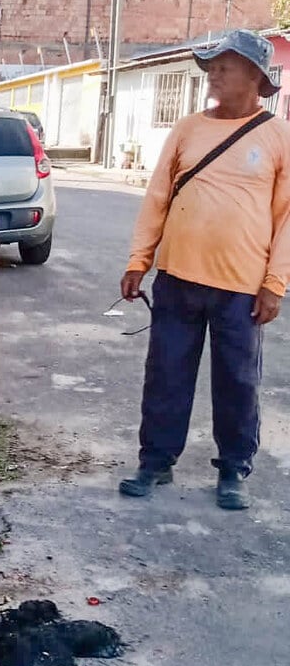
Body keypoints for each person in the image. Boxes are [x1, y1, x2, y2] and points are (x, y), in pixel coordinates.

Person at [118, 29, 290, 510]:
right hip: (177, 279)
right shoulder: (187, 130)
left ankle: (234, 467)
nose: (213, 74)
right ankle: (156, 461)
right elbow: (157, 199)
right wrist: (139, 261)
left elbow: (286, 218)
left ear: (255, 76)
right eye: (211, 65)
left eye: (224, 66)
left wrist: (274, 284)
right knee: (166, 374)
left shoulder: (278, 137)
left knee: (238, 380)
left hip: (241, 287)